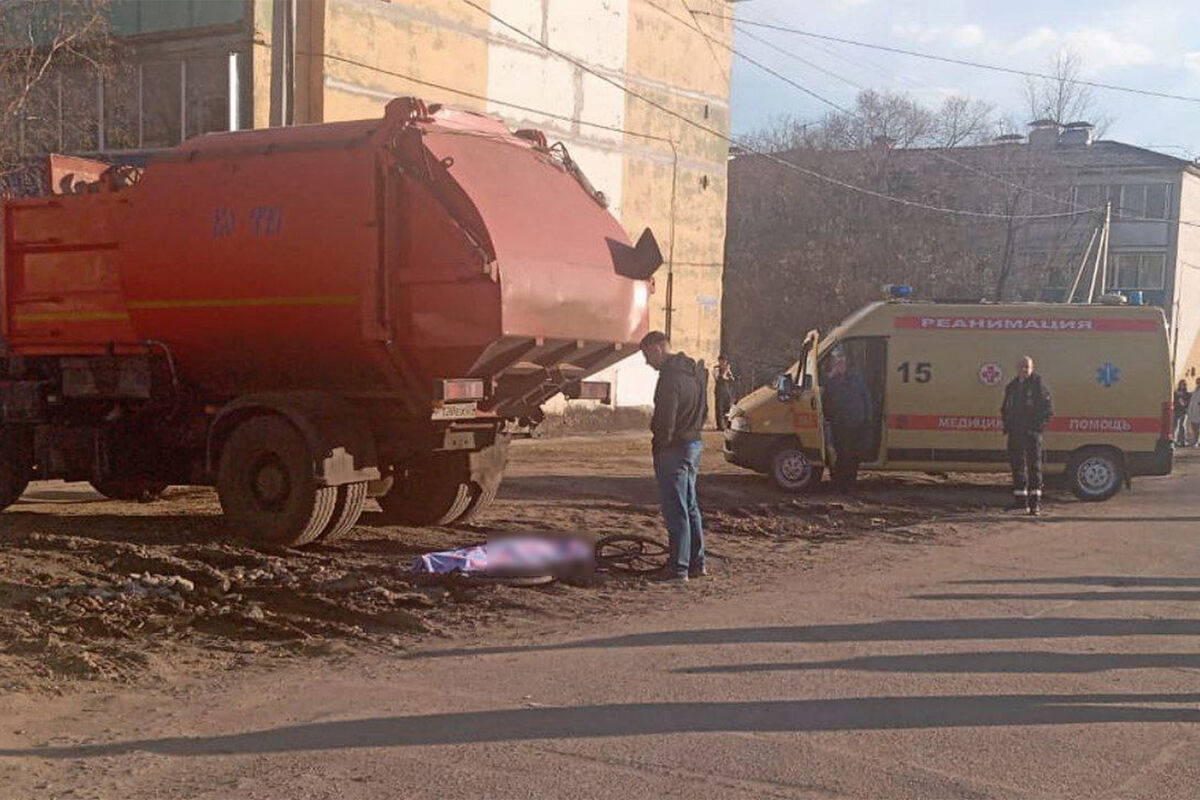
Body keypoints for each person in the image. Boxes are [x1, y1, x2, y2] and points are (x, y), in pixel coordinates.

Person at [640, 330, 708, 582]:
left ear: (658, 348)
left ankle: (678, 568)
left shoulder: (669, 378)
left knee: (675, 508)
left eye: (647, 356)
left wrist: (659, 446)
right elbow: (705, 411)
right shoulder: (696, 372)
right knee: (690, 506)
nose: (647, 363)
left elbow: (665, 420)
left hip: (674, 449)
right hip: (694, 444)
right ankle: (697, 563)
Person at [1000, 355, 1053, 515]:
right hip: (1015, 432)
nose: (1024, 370)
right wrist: (1007, 425)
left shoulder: (1038, 385)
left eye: (1027, 367)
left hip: (1032, 433)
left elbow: (1048, 410)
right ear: (1017, 368)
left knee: (1034, 467)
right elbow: (1005, 408)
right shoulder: (1012, 386)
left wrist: (1037, 428)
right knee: (1017, 466)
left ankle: (1034, 504)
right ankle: (1020, 501)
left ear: (1032, 368)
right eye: (1021, 367)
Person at [822, 348, 873, 491]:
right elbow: (824, 400)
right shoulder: (829, 380)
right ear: (833, 363)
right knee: (841, 454)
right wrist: (831, 377)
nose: (841, 364)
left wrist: (868, 418)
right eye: (838, 361)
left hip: (857, 423)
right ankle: (839, 483)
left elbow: (866, 398)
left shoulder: (856, 378)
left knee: (854, 455)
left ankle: (850, 483)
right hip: (839, 424)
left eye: (843, 361)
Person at [713, 354, 735, 431]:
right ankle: (720, 426)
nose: (723, 363)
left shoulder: (727, 369)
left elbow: (732, 379)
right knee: (719, 409)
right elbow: (720, 378)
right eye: (722, 361)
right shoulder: (716, 369)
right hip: (719, 391)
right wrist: (725, 371)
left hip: (727, 391)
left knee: (728, 408)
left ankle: (727, 425)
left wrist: (728, 372)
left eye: (725, 361)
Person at [1173, 379, 1192, 446]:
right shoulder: (1176, 393)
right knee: (1175, 425)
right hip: (1176, 411)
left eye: (1185, 384)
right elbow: (1173, 402)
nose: (1184, 385)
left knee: (1182, 426)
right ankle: (1175, 440)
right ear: (1180, 385)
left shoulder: (1188, 394)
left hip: (1183, 412)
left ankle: (1182, 441)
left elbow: (1189, 403)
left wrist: (1185, 405)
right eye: (1182, 384)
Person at [1188, 377, 1200, 448]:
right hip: (1193, 412)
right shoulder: (1195, 390)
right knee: (1194, 428)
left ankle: (1196, 441)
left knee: (1197, 428)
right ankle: (1194, 441)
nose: (1197, 383)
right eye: (1197, 382)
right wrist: (1189, 411)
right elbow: (1192, 401)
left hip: (1198, 412)